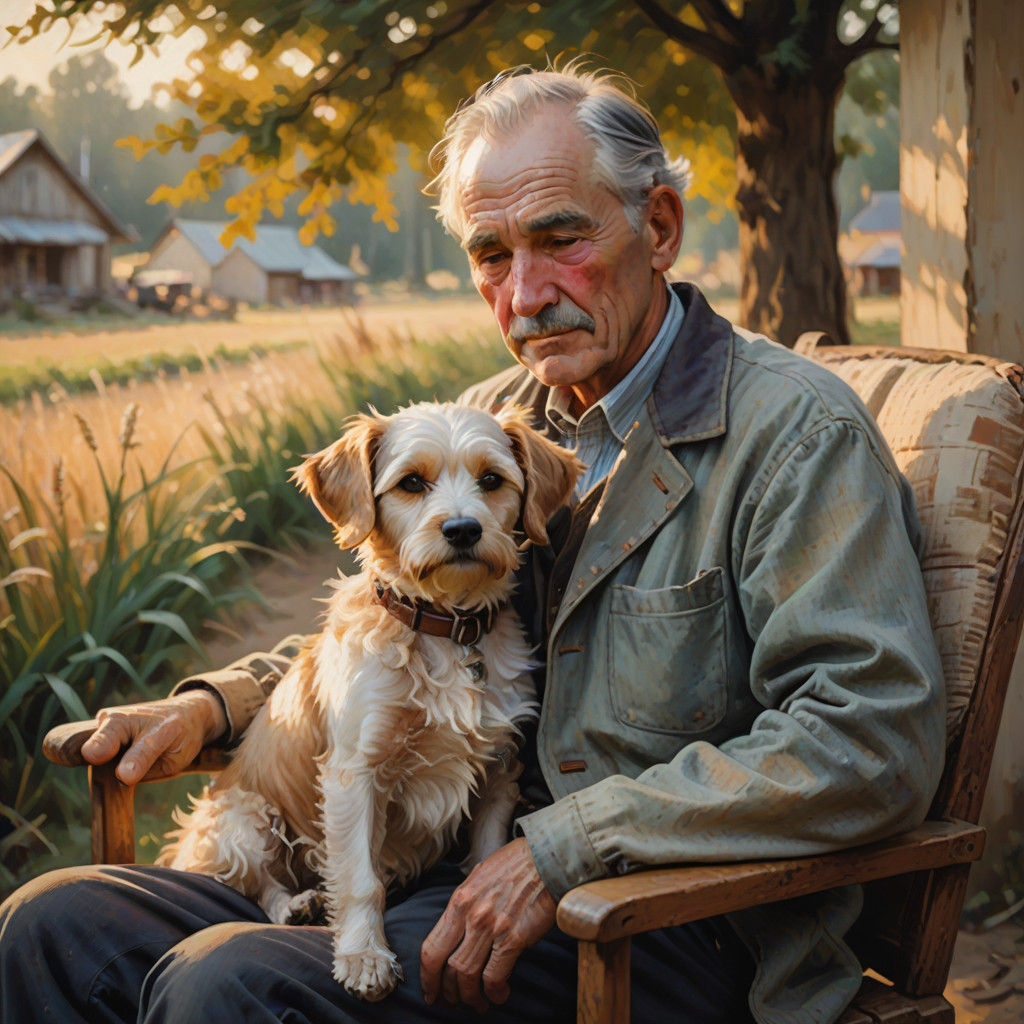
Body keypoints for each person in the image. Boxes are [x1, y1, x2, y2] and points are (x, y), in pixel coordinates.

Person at [0, 64, 945, 1024]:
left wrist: (562, 846)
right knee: (53, 922)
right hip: (454, 879)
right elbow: (395, 632)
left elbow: (868, 738)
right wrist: (219, 708)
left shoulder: (792, 437)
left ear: (658, 227)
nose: (526, 294)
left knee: (227, 982)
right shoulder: (499, 422)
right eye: (491, 254)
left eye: (560, 238)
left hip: (669, 922)